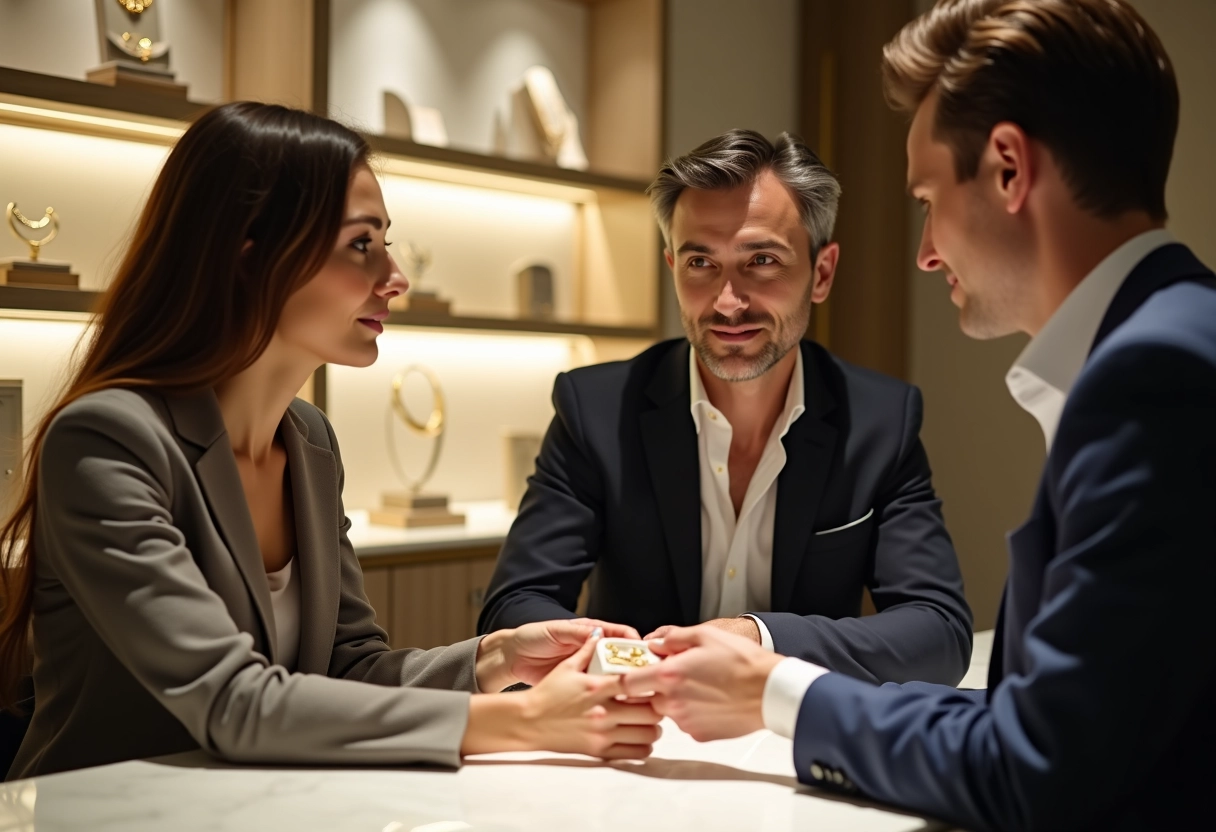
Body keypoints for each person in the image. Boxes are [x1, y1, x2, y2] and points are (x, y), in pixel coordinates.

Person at [621, 1, 1215, 829]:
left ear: (1009, 169)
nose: (926, 252)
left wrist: (776, 691)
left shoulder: (1154, 378)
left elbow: (1036, 767)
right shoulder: (1182, 338)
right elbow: (1064, 723)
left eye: (929, 199)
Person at [0, 102, 660, 781]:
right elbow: (231, 702)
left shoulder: (310, 441)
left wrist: (496, 657)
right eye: (362, 245)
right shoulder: (106, 441)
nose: (396, 278)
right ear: (251, 257)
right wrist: (523, 720)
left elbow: (349, 668)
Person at [479, 130, 973, 685]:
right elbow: (514, 609)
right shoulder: (594, 411)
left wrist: (757, 640)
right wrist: (630, 664)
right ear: (672, 267)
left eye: (761, 260)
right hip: (635, 724)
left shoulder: (881, 421)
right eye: (700, 262)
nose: (728, 302)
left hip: (798, 726)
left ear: (822, 273)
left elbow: (938, 632)